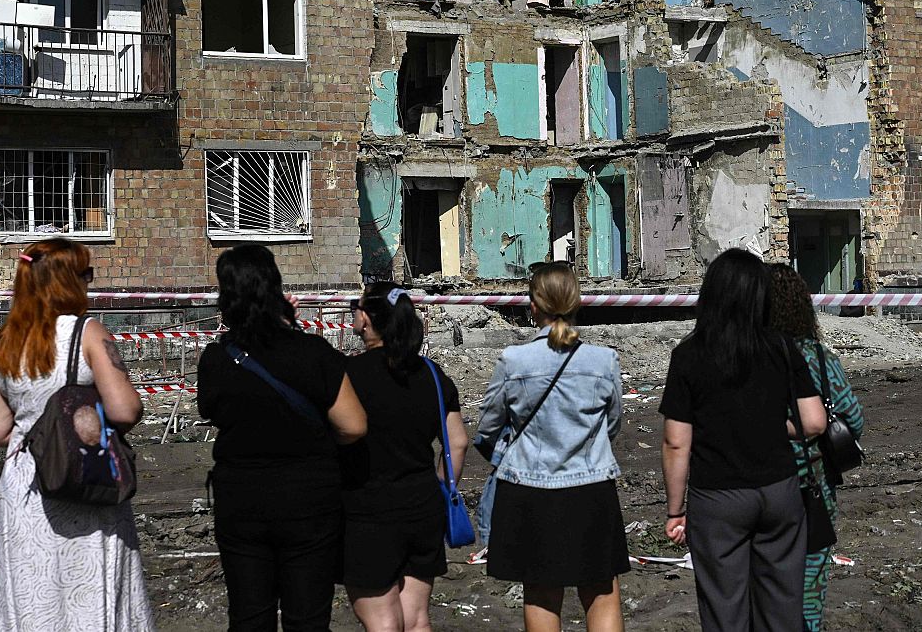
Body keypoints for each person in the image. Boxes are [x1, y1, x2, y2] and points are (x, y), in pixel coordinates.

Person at [0, 237, 154, 631]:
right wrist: (77, 429)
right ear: (70, 282)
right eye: (86, 273)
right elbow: (127, 409)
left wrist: (40, 437)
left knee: (32, 596)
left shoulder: (2, 342)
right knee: (93, 591)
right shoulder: (89, 332)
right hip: (85, 477)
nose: (90, 281)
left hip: (27, 487)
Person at [197, 244, 367, 632]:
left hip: (241, 499)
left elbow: (209, 410)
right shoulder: (312, 352)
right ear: (276, 287)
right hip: (309, 498)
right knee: (307, 617)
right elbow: (353, 425)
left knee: (248, 615)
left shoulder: (216, 359)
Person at [658, 248, 827, 632]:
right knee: (782, 608)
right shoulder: (782, 347)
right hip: (779, 490)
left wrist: (674, 511)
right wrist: (769, 425)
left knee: (724, 608)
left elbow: (675, 442)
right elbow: (815, 422)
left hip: (718, 497)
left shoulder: (689, 355)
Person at [476, 262, 628, 632]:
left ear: (533, 306)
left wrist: (506, 458)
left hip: (529, 490)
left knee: (542, 593)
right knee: (601, 592)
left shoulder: (514, 360)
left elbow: (488, 428)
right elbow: (613, 425)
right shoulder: (603, 360)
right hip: (591, 488)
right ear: (577, 302)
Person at [341, 282, 467, 632]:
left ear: (365, 319)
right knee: (416, 619)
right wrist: (441, 484)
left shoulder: (349, 376)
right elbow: (456, 442)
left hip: (367, 510)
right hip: (423, 507)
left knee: (381, 619)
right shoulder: (431, 373)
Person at [766, 264, 865, 632]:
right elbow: (853, 421)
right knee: (808, 587)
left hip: (748, 489)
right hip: (811, 489)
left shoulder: (743, 359)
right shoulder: (819, 359)